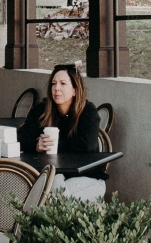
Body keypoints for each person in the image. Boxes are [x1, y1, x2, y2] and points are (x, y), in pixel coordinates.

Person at [18, 62, 104, 200]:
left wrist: (53, 145)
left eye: (63, 84)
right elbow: (20, 138)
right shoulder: (41, 110)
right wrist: (36, 145)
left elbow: (87, 145)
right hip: (52, 174)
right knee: (50, 186)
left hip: (87, 176)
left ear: (75, 90)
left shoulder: (87, 111)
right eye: (53, 84)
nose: (56, 88)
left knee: (54, 194)